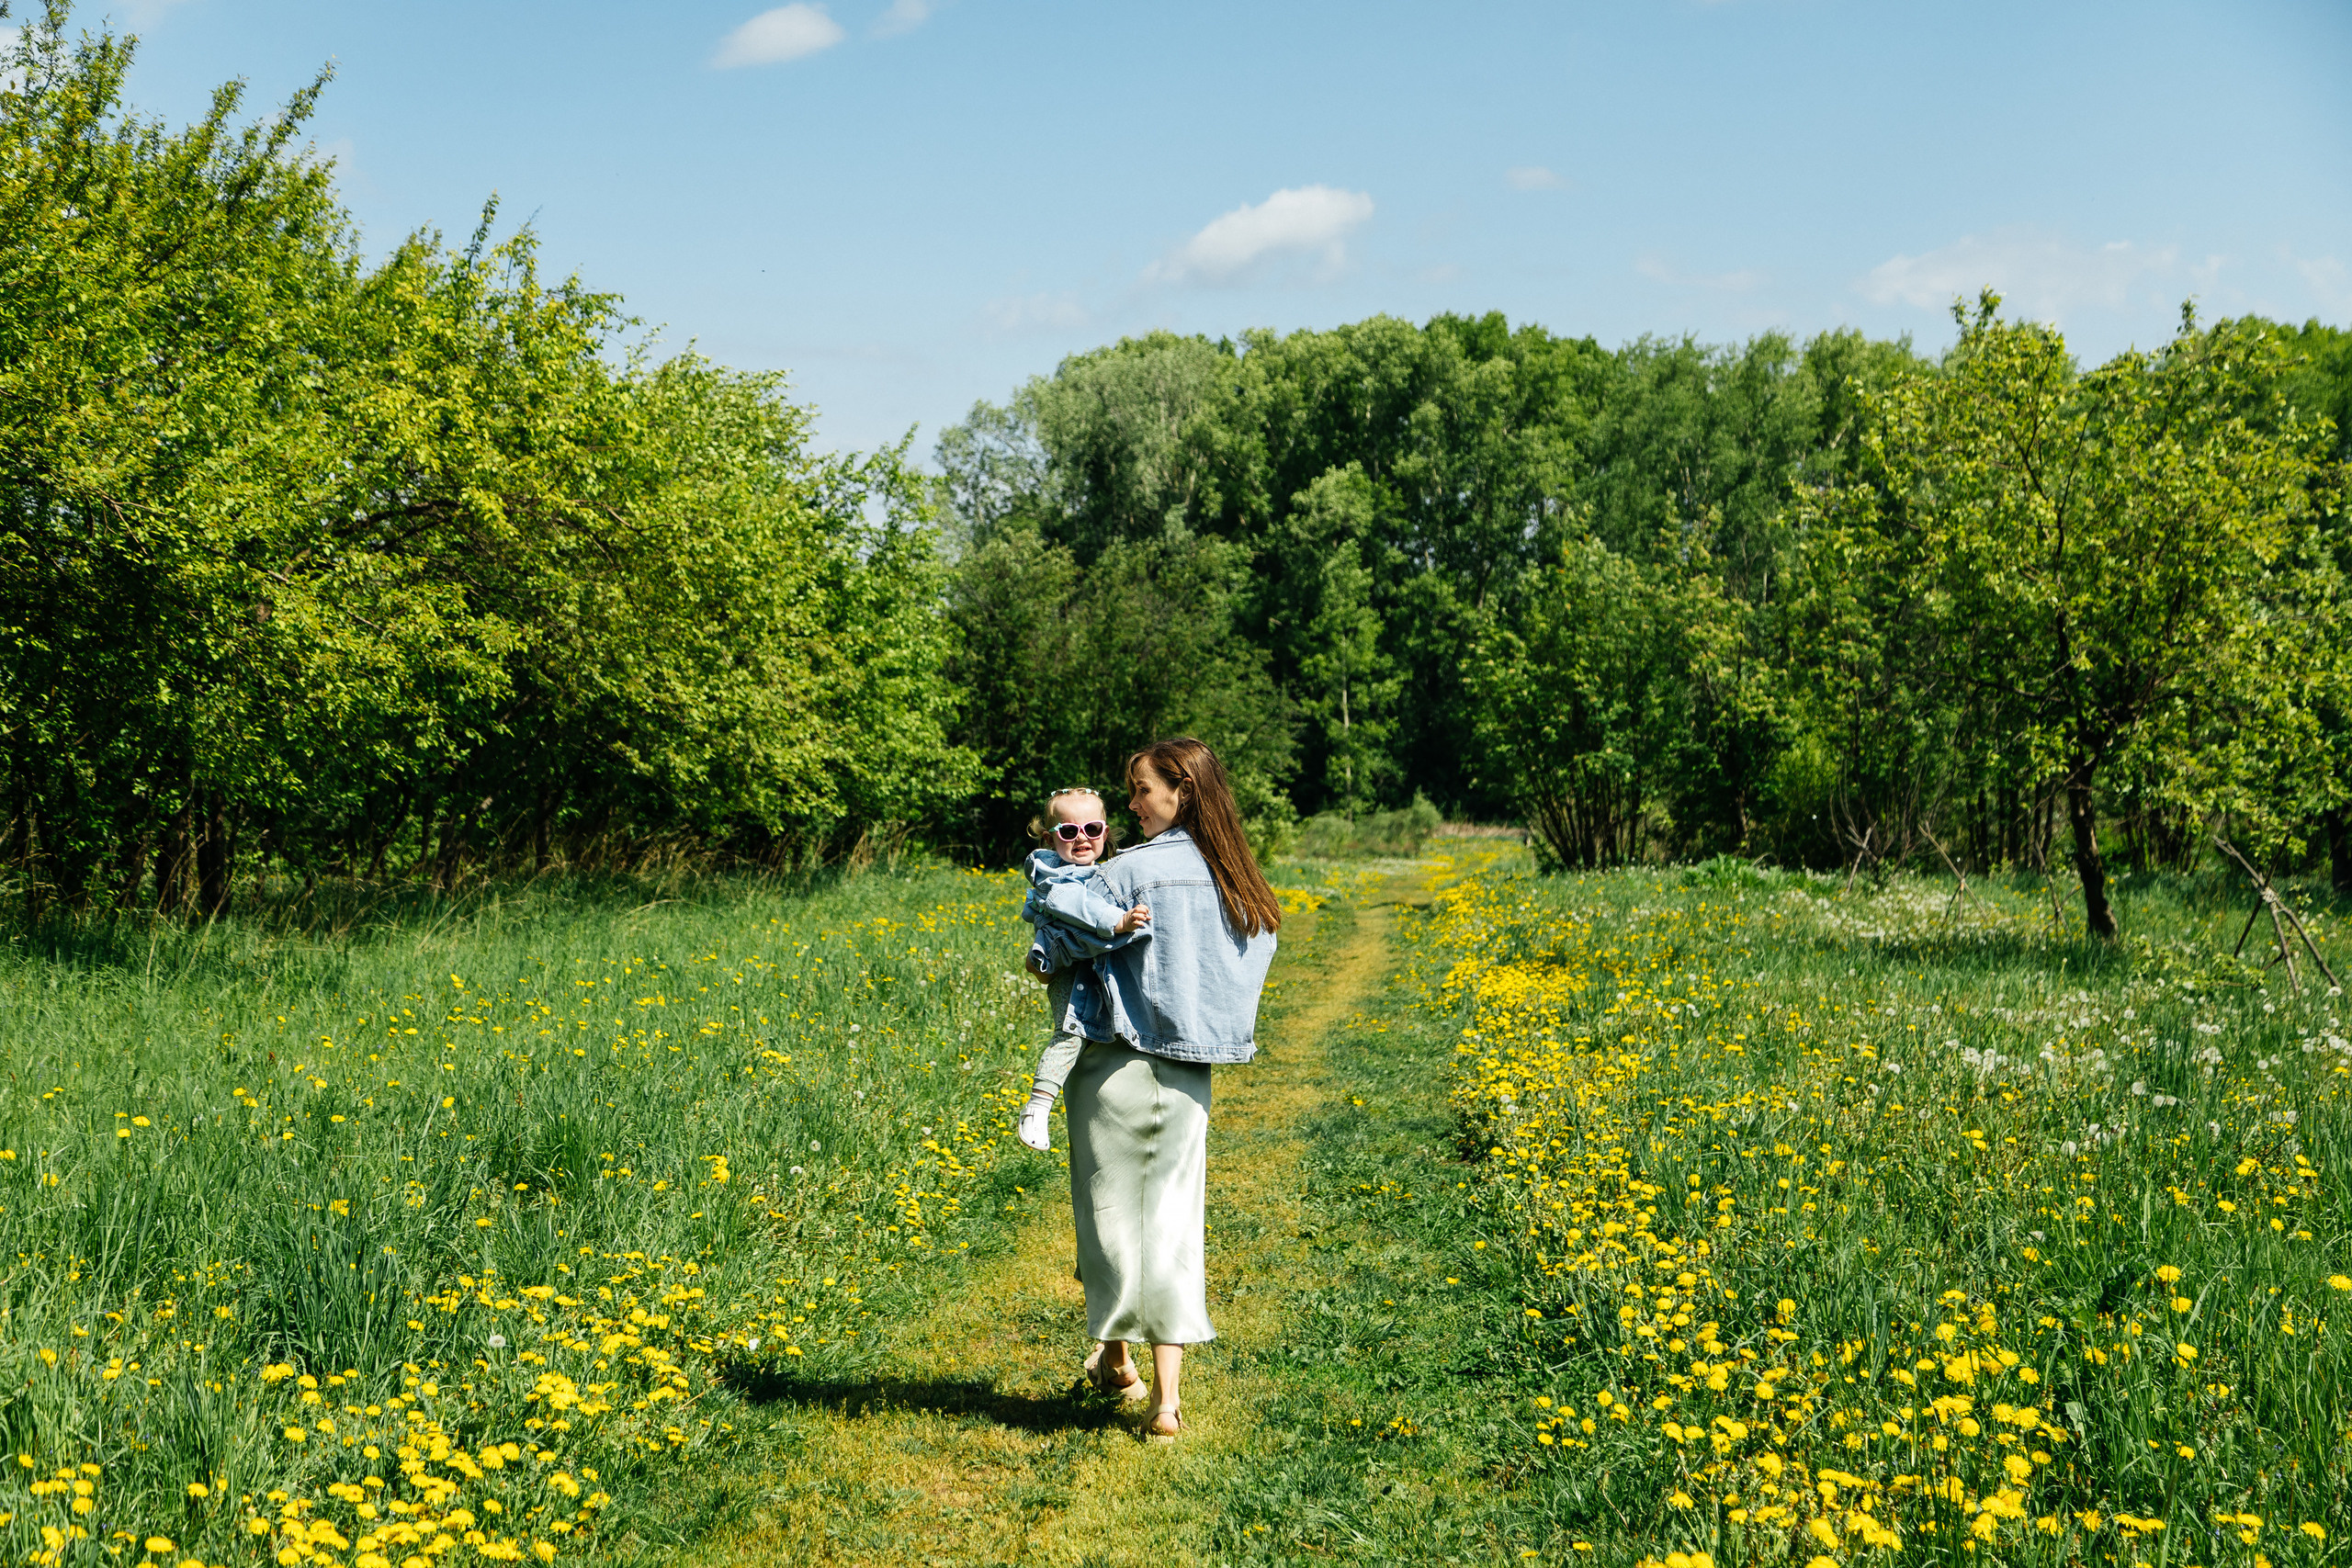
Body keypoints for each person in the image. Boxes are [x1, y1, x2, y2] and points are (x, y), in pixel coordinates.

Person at [1047, 738, 1282, 1443]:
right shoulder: (1235, 876)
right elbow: (1258, 946)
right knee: (1174, 1222)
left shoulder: (1126, 871)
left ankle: (1118, 1358)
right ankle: (1164, 1400)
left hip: (1112, 1063)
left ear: (1182, 790)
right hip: (1187, 1072)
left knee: (1110, 1217)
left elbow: (1056, 946)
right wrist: (1205, 1021)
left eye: (1142, 789)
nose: (1131, 804)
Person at [1015, 787, 1151, 1152]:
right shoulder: (1054, 876)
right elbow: (1077, 905)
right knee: (1070, 1034)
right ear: (1049, 839)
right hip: (1069, 977)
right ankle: (1037, 1107)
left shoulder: (1103, 871)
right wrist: (1118, 921)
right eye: (1068, 831)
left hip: (1092, 972)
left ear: (1105, 834)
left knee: (1098, 1039)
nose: (1082, 839)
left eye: (1092, 829)